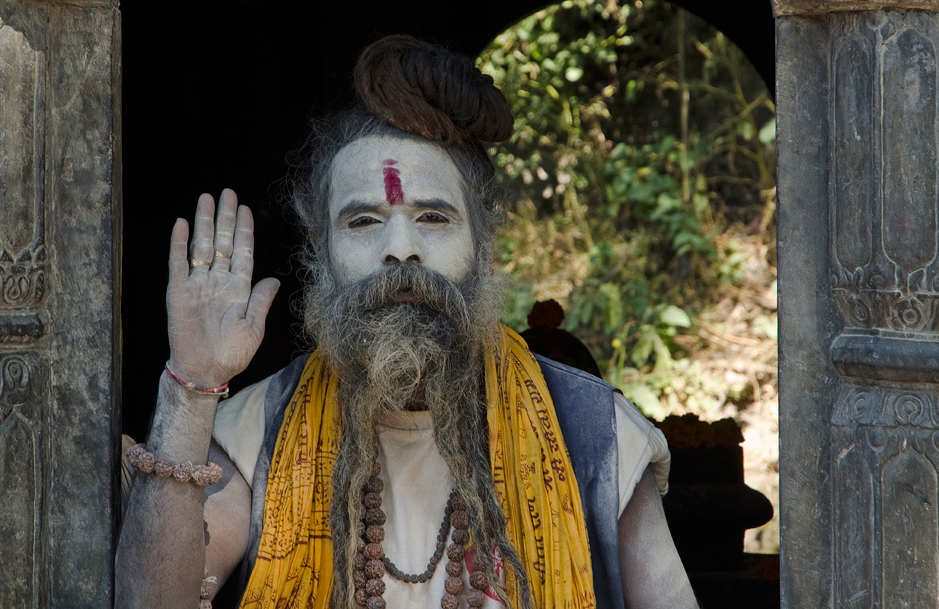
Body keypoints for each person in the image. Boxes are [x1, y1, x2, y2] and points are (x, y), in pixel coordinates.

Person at [115, 35, 698, 609]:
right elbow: (149, 602)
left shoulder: (597, 437)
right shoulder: (253, 434)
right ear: (320, 255)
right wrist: (190, 385)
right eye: (364, 221)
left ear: (486, 251)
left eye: (434, 218)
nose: (401, 248)